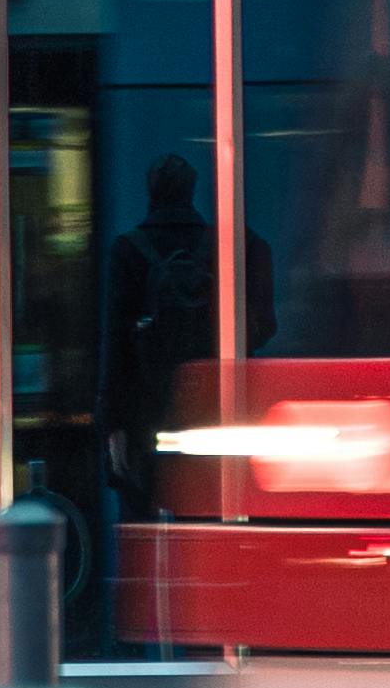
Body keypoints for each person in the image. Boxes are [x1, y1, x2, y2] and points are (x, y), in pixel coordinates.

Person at [101, 152, 276, 518]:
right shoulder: (228, 246)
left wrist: (113, 428)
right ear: (192, 192)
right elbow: (265, 327)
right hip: (212, 412)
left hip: (145, 418)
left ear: (151, 193)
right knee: (206, 519)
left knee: (142, 525)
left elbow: (116, 349)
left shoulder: (127, 251)